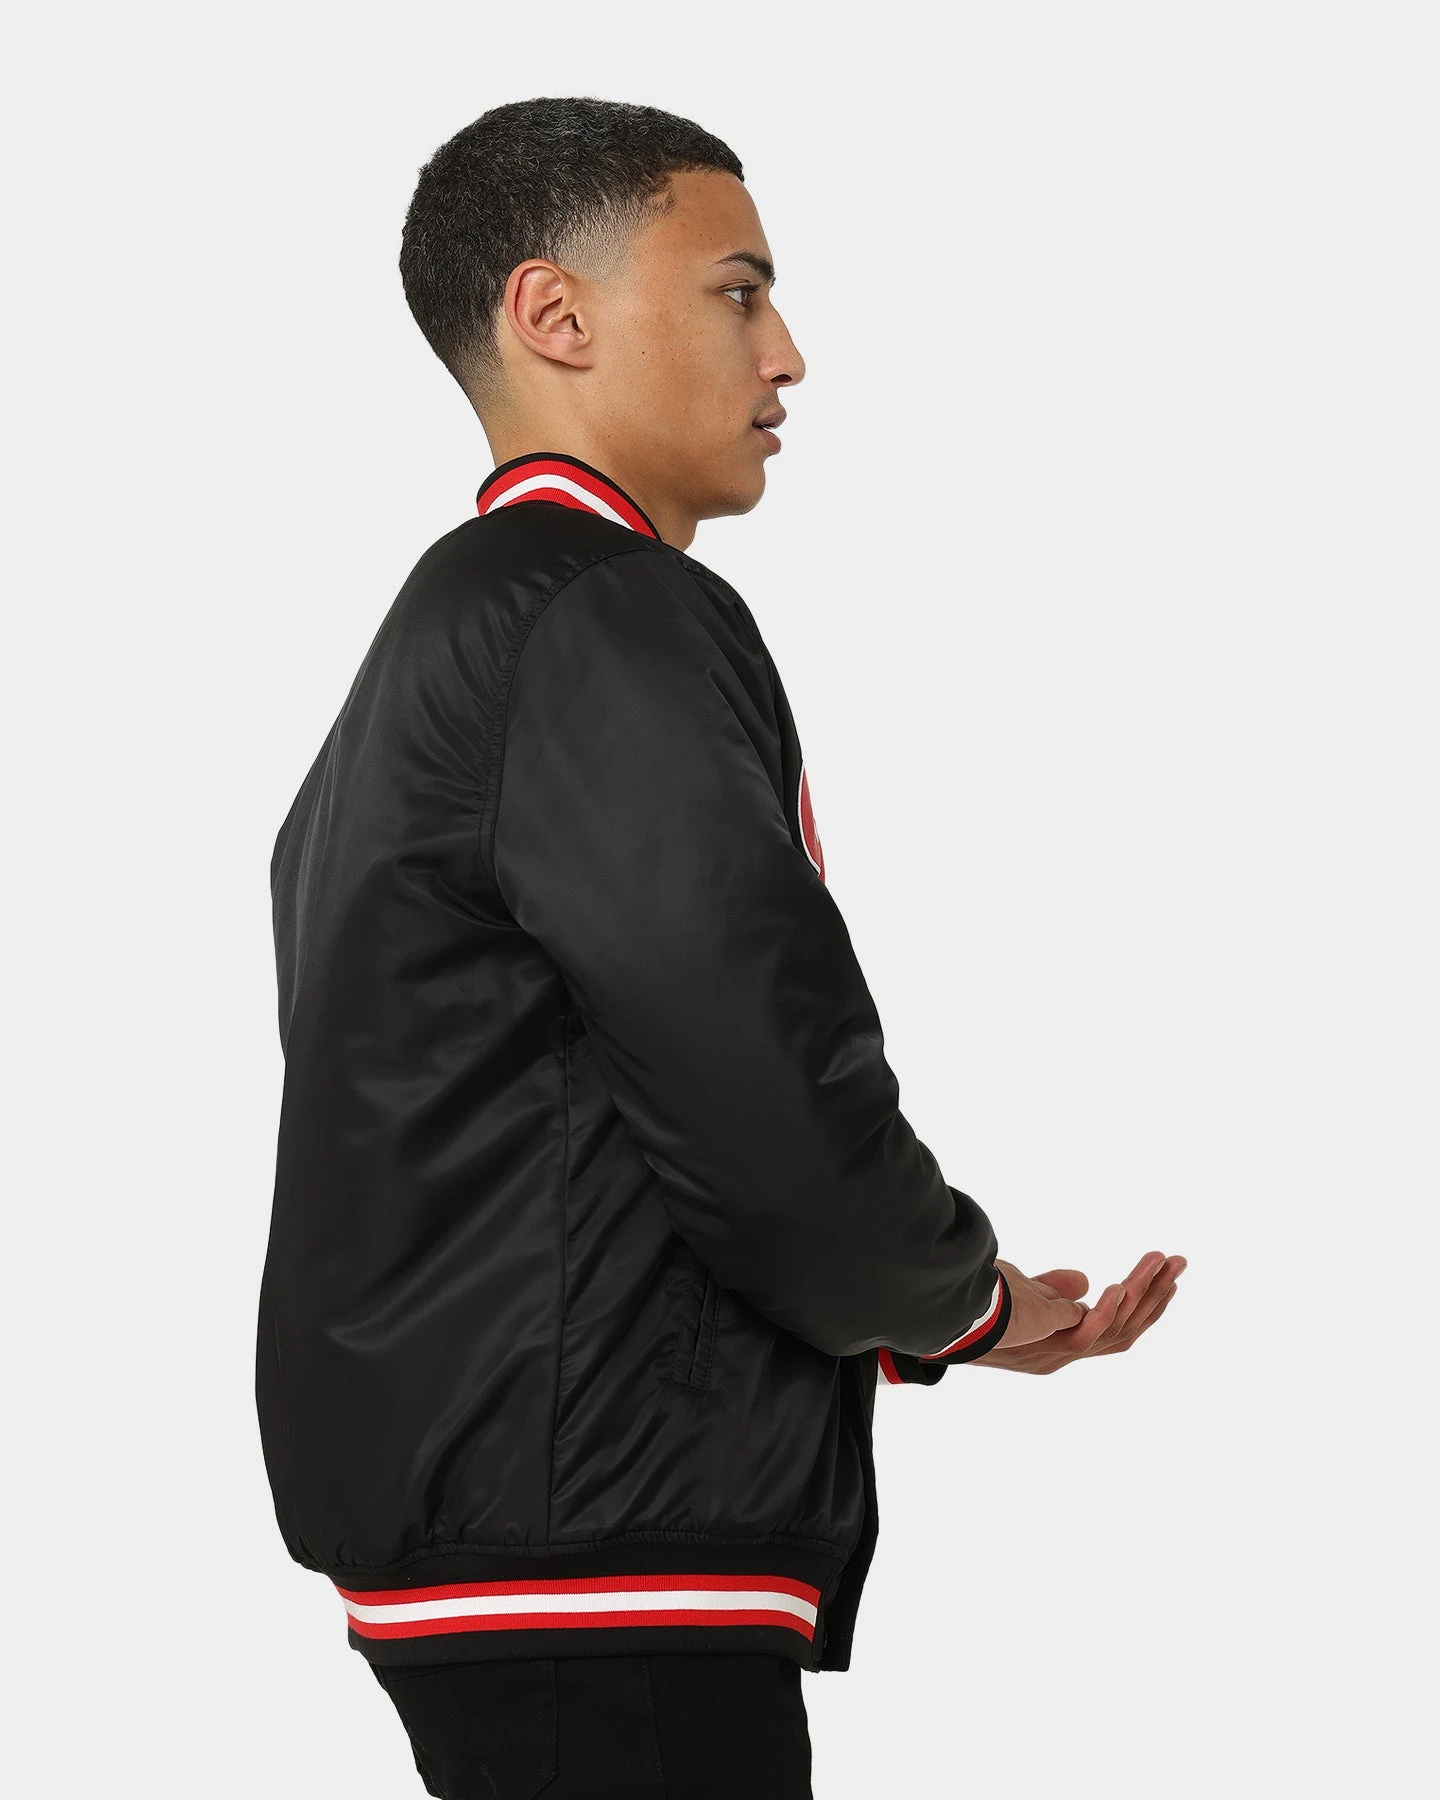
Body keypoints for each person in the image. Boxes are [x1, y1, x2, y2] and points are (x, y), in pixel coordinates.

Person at [256, 95, 1187, 1800]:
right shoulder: (602, 610)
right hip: (599, 1541)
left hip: (514, 1522)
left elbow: (564, 1103)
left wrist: (929, 1320)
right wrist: (961, 1299)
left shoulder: (448, 641)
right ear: (555, 315)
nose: (789, 355)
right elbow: (756, 1085)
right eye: (738, 293)